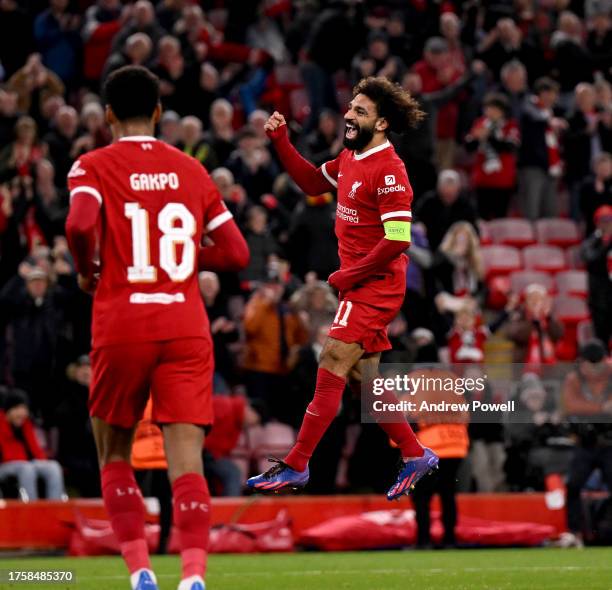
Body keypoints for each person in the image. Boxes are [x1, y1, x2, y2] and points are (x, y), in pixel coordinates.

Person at [64, 66, 249, 590]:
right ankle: (193, 576)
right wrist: (185, 260)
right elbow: (236, 252)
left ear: (107, 116)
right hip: (184, 324)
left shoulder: (92, 165)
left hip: (122, 322)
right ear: (161, 114)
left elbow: (79, 224)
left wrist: (86, 269)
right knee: (186, 461)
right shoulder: (191, 170)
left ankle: (140, 570)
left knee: (114, 453)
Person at [246, 76, 440, 501]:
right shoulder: (351, 158)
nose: (349, 116)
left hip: (375, 285)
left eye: (361, 112)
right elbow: (313, 183)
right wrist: (281, 141)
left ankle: (297, 463)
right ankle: (414, 452)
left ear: (383, 123)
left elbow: (398, 239)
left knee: (332, 356)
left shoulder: (390, 171)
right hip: (358, 283)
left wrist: (350, 276)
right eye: (351, 108)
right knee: (363, 378)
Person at [561, 340, 612, 547]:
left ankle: (603, 529)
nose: (594, 370)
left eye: (598, 365)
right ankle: (575, 532)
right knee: (573, 485)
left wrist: (591, 408)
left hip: (609, 442)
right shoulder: (573, 379)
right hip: (586, 442)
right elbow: (572, 406)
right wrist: (602, 408)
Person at [0, 388, 66, 501]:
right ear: (8, 410)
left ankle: (55, 507)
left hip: (25, 463)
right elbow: (7, 456)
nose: (22, 412)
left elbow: (36, 449)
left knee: (53, 466)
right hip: (4, 466)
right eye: (17, 408)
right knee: (27, 468)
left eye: (24, 408)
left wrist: (42, 461)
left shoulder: (26, 424)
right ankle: (32, 508)